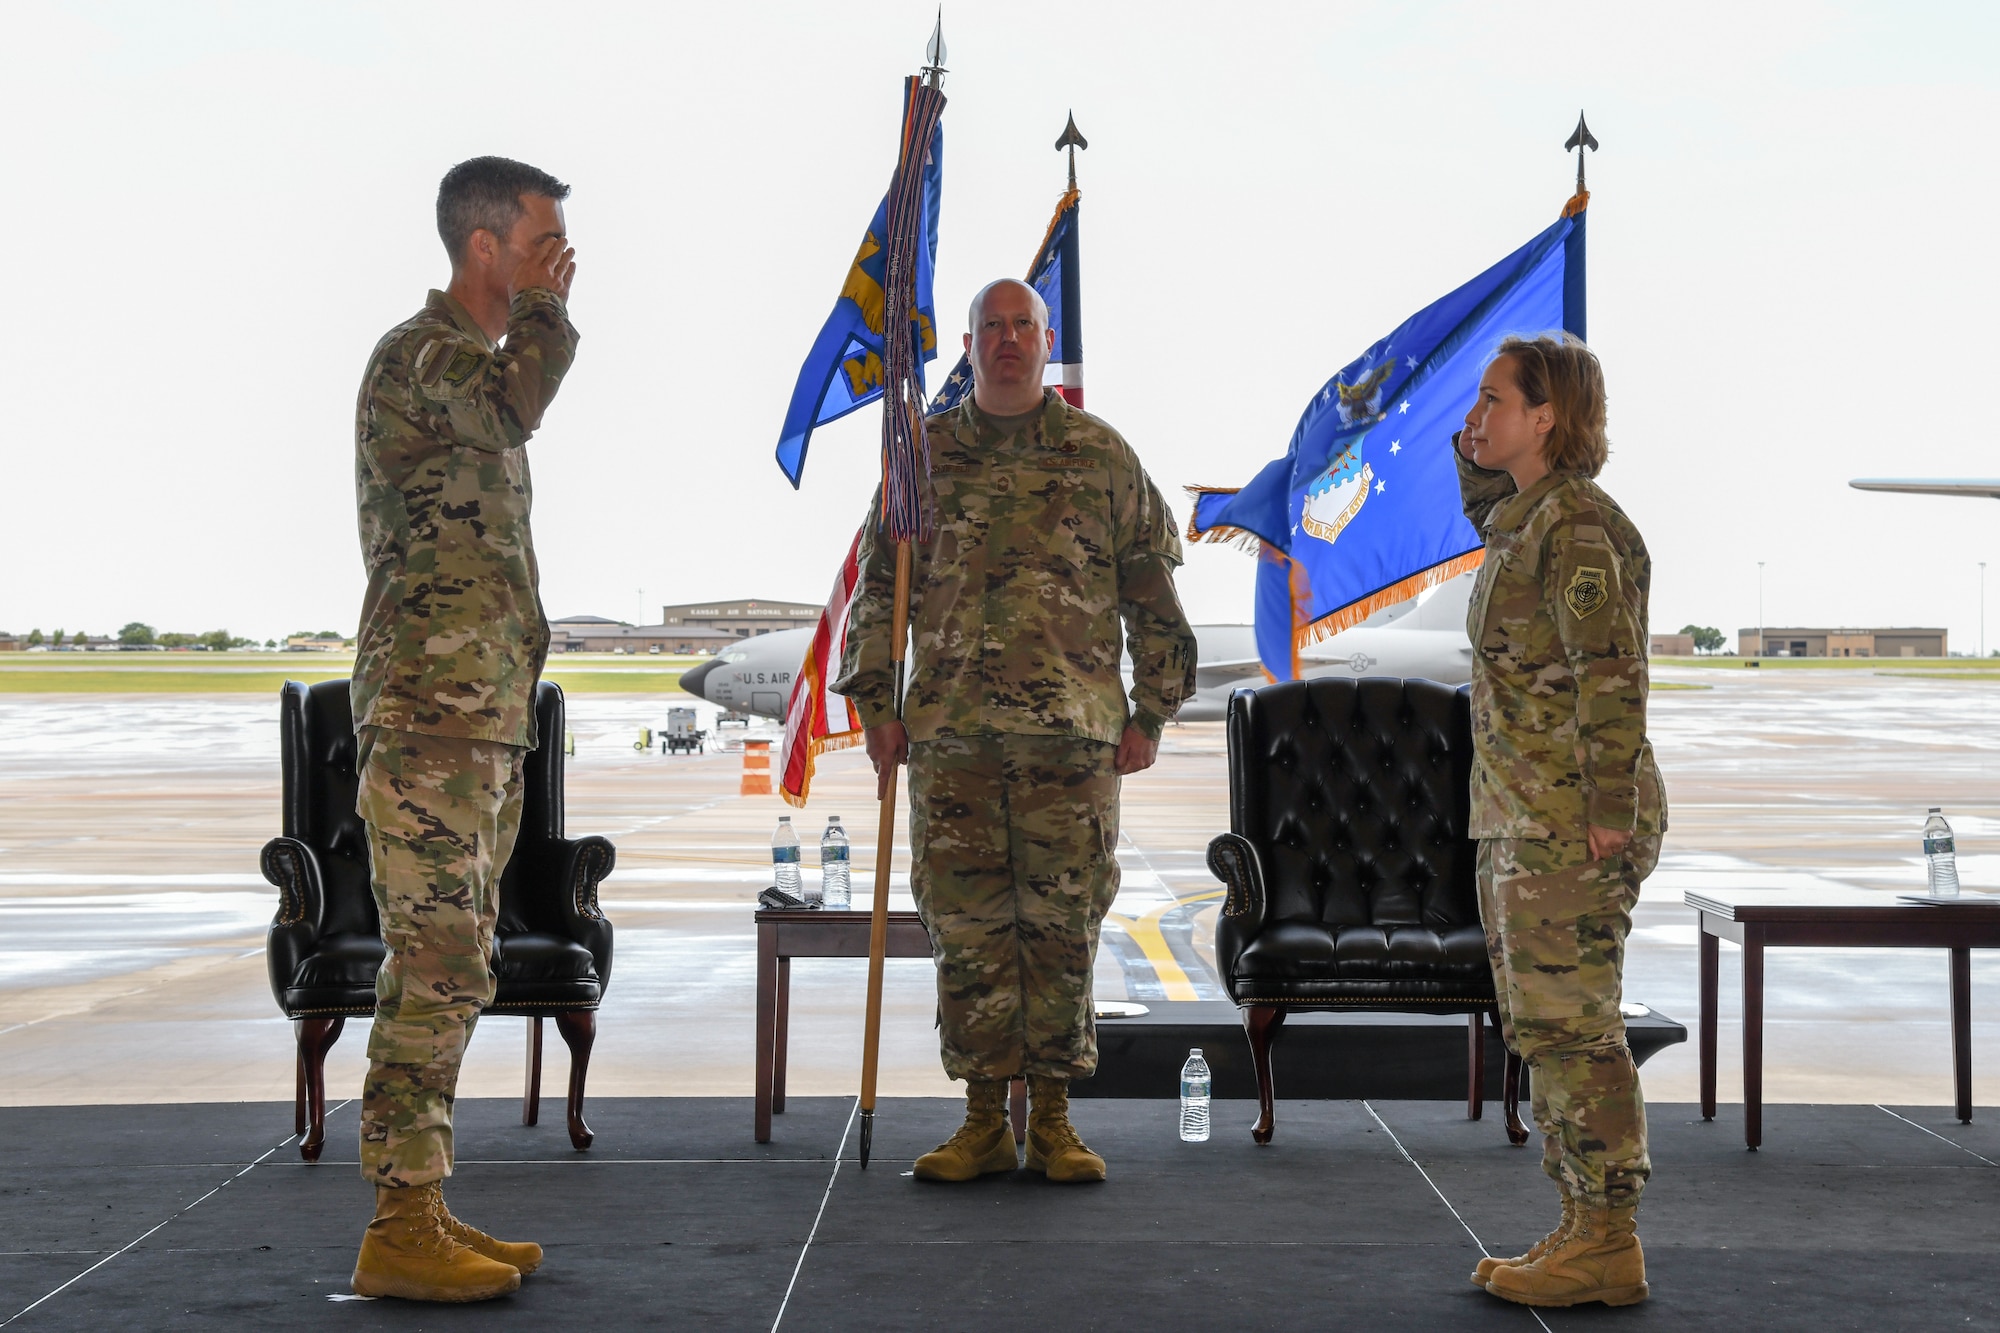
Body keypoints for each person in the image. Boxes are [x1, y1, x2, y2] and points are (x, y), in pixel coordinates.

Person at [834, 278, 1196, 1185]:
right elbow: (880, 587)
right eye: (990, 327)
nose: (1006, 340)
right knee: (969, 931)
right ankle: (983, 1121)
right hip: (951, 737)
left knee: (1061, 929)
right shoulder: (926, 454)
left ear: (1046, 341)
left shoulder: (1099, 455)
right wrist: (876, 705)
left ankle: (1058, 1122)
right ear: (969, 343)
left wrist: (1151, 709)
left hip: (1071, 744)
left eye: (1021, 326)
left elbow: (1154, 592)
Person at [347, 156, 579, 1302]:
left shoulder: (462, 364)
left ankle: (421, 1203)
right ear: (483, 247)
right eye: (540, 247)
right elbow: (513, 405)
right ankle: (398, 1221)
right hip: (430, 719)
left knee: (458, 967)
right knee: (433, 967)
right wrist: (548, 318)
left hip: (477, 720)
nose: (558, 268)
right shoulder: (424, 359)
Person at [1454, 333, 1666, 1308]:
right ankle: (1581, 1224)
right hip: (1521, 820)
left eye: (1494, 399)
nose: (1478, 413)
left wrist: (1611, 814)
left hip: (1568, 823)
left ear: (1545, 417)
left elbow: (1610, 674)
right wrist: (1469, 446)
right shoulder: (1520, 519)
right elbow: (1483, 504)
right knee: (1544, 1030)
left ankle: (1606, 1236)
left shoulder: (1573, 527)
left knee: (1575, 1032)